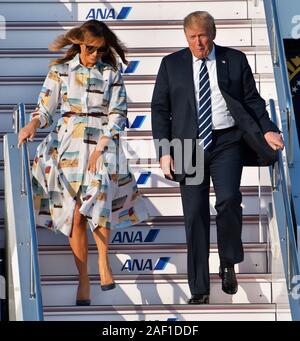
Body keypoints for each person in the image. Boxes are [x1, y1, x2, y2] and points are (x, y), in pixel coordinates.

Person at [151, 11, 284, 304]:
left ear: (214, 32)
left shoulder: (234, 60)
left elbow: (252, 101)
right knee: (195, 214)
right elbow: (160, 109)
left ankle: (228, 261)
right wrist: (164, 151)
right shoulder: (171, 64)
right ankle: (198, 287)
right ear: (186, 37)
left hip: (227, 141)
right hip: (189, 147)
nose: (198, 43)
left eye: (203, 36)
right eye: (192, 37)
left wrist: (269, 130)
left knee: (227, 199)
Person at [18, 19, 149, 306]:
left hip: (102, 144)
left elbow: (118, 114)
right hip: (67, 147)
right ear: (79, 43)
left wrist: (101, 146)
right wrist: (32, 125)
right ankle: (83, 278)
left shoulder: (111, 73)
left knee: (100, 198)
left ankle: (103, 262)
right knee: (76, 215)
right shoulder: (60, 72)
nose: (95, 54)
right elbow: (45, 109)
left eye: (100, 50)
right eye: (90, 48)